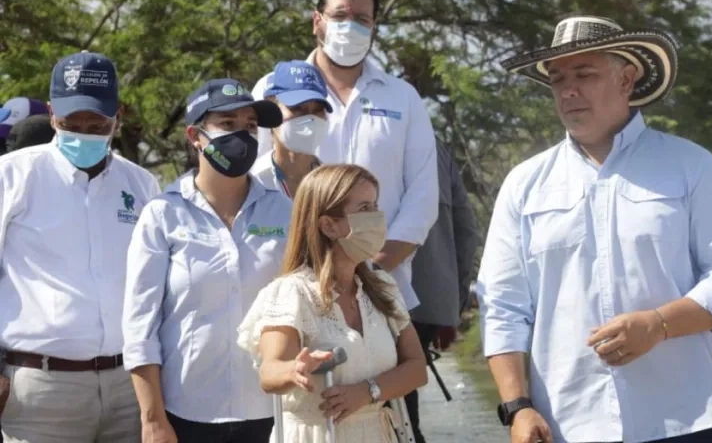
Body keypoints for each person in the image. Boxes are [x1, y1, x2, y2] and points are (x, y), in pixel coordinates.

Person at [477, 15, 712, 443]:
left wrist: (659, 324)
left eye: (584, 74)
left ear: (627, 79)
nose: (568, 90)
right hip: (564, 425)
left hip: (681, 420)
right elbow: (502, 304)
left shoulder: (692, 167)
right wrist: (517, 407)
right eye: (558, 79)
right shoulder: (524, 184)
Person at [252, 0, 439, 310]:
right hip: (289, 287)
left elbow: (422, 200)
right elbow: (255, 183)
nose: (350, 26)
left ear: (374, 26)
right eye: (339, 16)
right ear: (317, 22)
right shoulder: (271, 88)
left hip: (382, 290)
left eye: (361, 19)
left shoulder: (403, 98)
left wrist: (368, 271)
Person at [0, 51, 160, 443]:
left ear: (118, 116)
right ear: (51, 113)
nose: (84, 132)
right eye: (71, 123)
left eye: (97, 123)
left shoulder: (142, 186)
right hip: (40, 392)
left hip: (129, 389)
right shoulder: (12, 176)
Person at [121, 79, 288, 443]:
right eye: (227, 124)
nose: (243, 135)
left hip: (270, 412)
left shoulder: (284, 211)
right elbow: (139, 327)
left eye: (250, 126)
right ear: (195, 136)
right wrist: (152, 419)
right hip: (185, 414)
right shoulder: (163, 214)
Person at [237, 163, 428, 443]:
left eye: (375, 206)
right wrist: (294, 370)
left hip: (375, 433)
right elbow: (269, 372)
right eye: (364, 208)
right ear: (328, 225)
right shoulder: (291, 293)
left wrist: (368, 391)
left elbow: (416, 367)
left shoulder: (382, 287)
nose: (376, 218)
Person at [404, 139, 479, 443]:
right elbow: (466, 231)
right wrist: (450, 310)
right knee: (404, 416)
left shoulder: (331, 126)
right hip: (423, 306)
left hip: (347, 300)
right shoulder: (434, 147)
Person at [250, 60, 330, 198]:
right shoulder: (254, 183)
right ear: (271, 112)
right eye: (297, 108)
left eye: (318, 110)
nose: (310, 119)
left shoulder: (334, 185)